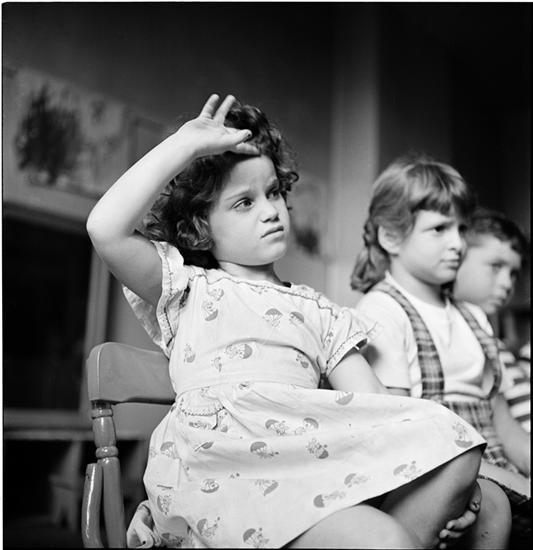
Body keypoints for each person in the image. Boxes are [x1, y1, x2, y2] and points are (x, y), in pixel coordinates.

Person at [87, 96, 505, 549]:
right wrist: (185, 146)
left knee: (454, 440)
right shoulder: (187, 289)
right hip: (225, 477)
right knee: (386, 537)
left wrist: (444, 475)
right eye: (244, 203)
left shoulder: (320, 311)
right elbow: (105, 229)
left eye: (274, 193)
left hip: (305, 471)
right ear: (199, 227)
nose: (270, 210)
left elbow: (376, 409)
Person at [351, 154, 528, 544]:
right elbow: (397, 434)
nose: (458, 244)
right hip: (435, 467)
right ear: (390, 237)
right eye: (440, 229)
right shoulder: (383, 310)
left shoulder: (474, 317)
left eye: (462, 229)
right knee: (495, 504)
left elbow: (503, 423)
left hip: (493, 463)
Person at [454, 207, 530, 434]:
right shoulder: (457, 339)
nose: (508, 283)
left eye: (513, 273)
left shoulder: (492, 343)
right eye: (496, 266)